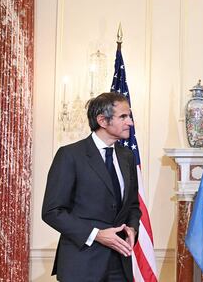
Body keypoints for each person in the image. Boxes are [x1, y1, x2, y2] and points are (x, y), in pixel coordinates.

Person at [42, 92, 141, 282]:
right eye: (123, 117)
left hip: (120, 264)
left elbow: (133, 206)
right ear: (103, 120)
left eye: (130, 116)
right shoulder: (70, 155)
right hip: (81, 264)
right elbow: (52, 211)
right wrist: (96, 235)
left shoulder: (127, 156)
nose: (130, 122)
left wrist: (132, 228)